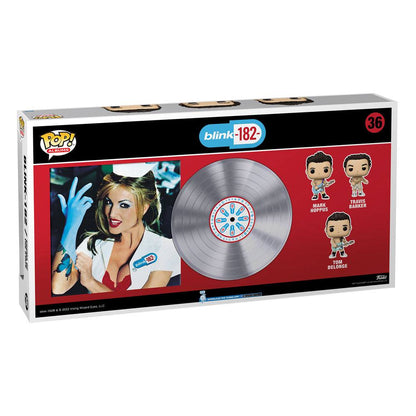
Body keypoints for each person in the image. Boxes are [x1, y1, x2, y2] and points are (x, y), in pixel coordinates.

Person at [51, 163, 180, 295]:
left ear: (144, 208)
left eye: (124, 205)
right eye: (108, 202)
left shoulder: (165, 248)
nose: (112, 213)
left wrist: (90, 282)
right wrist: (71, 225)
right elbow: (58, 287)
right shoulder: (94, 243)